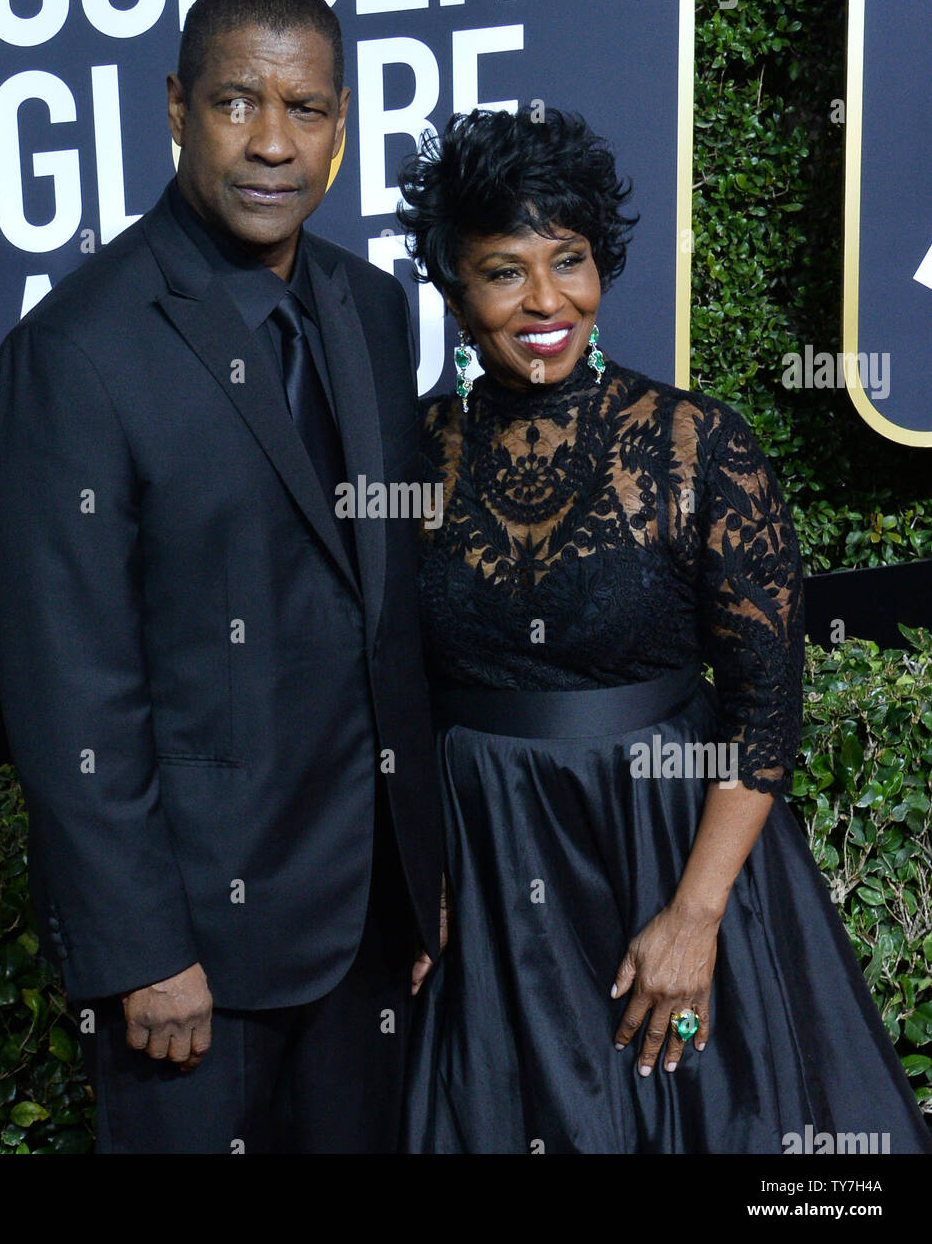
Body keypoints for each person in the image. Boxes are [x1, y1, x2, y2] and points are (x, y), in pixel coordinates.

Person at [396, 106, 932, 1154]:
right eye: (505, 271)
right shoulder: (412, 453)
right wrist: (422, 874)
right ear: (455, 292)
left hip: (668, 853)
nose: (547, 300)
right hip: (490, 870)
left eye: (571, 260)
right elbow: (387, 683)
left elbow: (765, 706)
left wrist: (694, 919)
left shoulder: (696, 447)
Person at [0, 0, 446, 1154]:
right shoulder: (75, 352)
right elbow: (68, 682)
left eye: (308, 109)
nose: (273, 143)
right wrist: (140, 947)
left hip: (371, 925)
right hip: (195, 959)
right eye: (238, 103)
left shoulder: (372, 308)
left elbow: (385, 620)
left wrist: (420, 862)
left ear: (343, 122)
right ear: (176, 104)